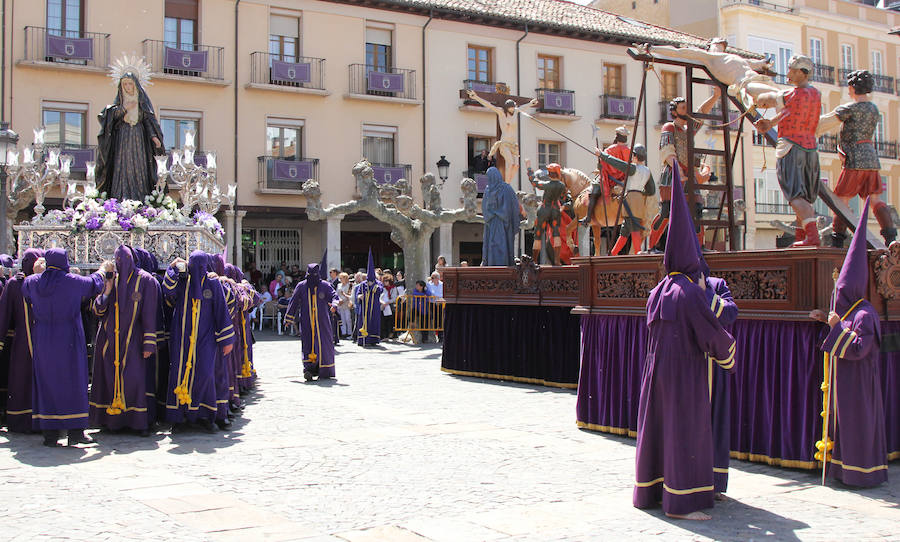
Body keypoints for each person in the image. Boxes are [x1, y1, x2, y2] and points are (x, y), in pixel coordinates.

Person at [634, 166, 736, 520]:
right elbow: (712, 336)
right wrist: (728, 356)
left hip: (656, 373)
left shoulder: (656, 292)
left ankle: (652, 492)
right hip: (685, 374)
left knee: (659, 430)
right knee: (685, 431)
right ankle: (683, 502)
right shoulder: (691, 293)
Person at [810, 198, 888, 487]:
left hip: (859, 385)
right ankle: (844, 471)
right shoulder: (850, 311)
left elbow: (858, 348)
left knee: (859, 427)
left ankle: (863, 475)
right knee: (846, 429)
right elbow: (839, 333)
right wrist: (825, 321)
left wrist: (836, 327)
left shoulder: (865, 313)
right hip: (846, 384)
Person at [23, 248, 113, 446]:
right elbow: (94, 283)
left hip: (44, 337)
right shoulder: (71, 281)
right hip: (69, 336)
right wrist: (103, 268)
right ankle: (75, 431)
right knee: (73, 380)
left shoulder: (32, 282)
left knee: (46, 382)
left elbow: (27, 291)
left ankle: (50, 432)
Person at [817, 70, 893, 246]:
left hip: (854, 158)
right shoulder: (874, 109)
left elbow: (825, 122)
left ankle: (838, 240)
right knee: (875, 199)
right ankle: (891, 238)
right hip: (871, 158)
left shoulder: (850, 108)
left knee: (842, 199)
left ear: (851, 88)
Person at [162, 251, 235, 433]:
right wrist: (172, 268)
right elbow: (167, 289)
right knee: (178, 374)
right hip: (182, 338)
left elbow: (221, 310)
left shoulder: (212, 283)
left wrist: (226, 339)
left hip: (206, 339)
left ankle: (205, 416)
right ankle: (179, 418)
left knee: (205, 375)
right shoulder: (182, 281)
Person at [89, 246, 159, 434]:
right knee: (109, 379)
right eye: (118, 259)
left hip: (133, 340)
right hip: (108, 340)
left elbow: (149, 316)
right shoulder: (112, 279)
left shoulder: (146, 280)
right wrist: (107, 291)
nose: (121, 263)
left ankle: (137, 422)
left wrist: (149, 342)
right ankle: (112, 421)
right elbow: (98, 310)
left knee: (134, 379)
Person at [755, 55, 822, 247]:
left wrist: (767, 120)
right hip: (811, 149)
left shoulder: (791, 94)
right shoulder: (816, 94)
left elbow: (770, 103)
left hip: (791, 147)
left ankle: (812, 237)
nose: (789, 73)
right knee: (805, 198)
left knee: (795, 196)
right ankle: (803, 237)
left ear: (803, 73)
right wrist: (771, 123)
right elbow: (787, 113)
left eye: (793, 70)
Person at [694, 237, 739, 498]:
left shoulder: (716, 285)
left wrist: (706, 293)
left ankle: (715, 481)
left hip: (714, 366)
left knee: (715, 423)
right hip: (687, 367)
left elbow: (730, 314)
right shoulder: (676, 286)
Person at [648, 89, 719, 251]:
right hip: (672, 175)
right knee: (666, 211)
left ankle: (700, 246)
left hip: (688, 175)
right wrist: (677, 168)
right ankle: (653, 245)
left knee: (697, 210)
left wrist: (715, 97)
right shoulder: (669, 127)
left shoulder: (688, 130)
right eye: (682, 108)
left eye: (687, 107)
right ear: (674, 111)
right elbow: (667, 149)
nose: (686, 110)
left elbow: (701, 112)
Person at [640, 38, 777, 109]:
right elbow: (677, 52)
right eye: (717, 44)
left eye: (722, 45)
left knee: (782, 94)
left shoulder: (734, 57)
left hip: (756, 78)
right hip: (745, 84)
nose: (719, 46)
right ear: (710, 46)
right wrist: (652, 48)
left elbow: (756, 64)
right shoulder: (707, 58)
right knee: (781, 96)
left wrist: (764, 63)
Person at [96, 70, 165, 201]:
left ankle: (141, 197)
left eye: (130, 84)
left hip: (138, 136)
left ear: (135, 85)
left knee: (139, 166)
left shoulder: (141, 101)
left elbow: (147, 119)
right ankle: (120, 196)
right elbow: (109, 118)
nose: (127, 87)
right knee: (122, 165)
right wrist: (123, 109)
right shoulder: (120, 102)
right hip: (122, 136)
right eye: (125, 84)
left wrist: (153, 136)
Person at [0, 249, 43, 432]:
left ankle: (43, 419)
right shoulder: (14, 285)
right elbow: (4, 314)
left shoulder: (46, 283)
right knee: (22, 378)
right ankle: (21, 420)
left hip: (44, 341)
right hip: (22, 342)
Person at [594, 143, 657, 255]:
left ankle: (638, 252)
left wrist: (602, 155)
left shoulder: (633, 168)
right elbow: (651, 190)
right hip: (640, 200)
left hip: (631, 198)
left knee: (633, 226)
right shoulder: (647, 171)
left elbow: (618, 164)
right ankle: (613, 253)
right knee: (625, 229)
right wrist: (641, 192)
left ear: (634, 156)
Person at [466, 90, 539, 185]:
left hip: (514, 144)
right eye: (511, 108)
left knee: (516, 165)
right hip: (504, 143)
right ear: (507, 108)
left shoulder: (516, 112)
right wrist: (476, 97)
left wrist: (530, 104)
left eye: (513, 107)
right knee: (511, 163)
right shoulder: (501, 112)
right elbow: (489, 105)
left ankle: (507, 183)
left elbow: (522, 108)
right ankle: (506, 184)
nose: (512, 109)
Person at [285, 263, 339, 381]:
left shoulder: (325, 285)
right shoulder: (301, 286)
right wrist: (288, 318)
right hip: (306, 320)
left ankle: (325, 369)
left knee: (323, 343)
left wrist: (334, 305)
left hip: (322, 320)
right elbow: (293, 302)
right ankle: (309, 369)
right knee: (308, 343)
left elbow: (334, 296)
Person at [583, 126, 633, 226]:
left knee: (594, 190)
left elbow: (604, 167)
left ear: (617, 136)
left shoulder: (610, 150)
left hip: (610, 179)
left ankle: (588, 217)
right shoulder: (630, 151)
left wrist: (599, 166)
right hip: (624, 180)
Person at [525, 161, 568, 264]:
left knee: (538, 235)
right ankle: (557, 260)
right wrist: (564, 207)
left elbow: (534, 182)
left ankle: (534, 261)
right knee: (556, 234)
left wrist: (529, 169)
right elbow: (564, 197)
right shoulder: (562, 186)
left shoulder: (547, 184)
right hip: (555, 210)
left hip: (544, 209)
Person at [481, 166, 521, 266]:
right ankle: (491, 265)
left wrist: (495, 213)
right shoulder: (488, 190)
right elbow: (484, 207)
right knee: (493, 245)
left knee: (501, 244)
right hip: (494, 223)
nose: (489, 180)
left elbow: (511, 207)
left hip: (502, 224)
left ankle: (502, 266)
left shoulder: (506, 188)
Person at [356, 251, 384, 347]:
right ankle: (362, 339)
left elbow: (380, 290)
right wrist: (359, 296)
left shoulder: (378, 283)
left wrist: (373, 286)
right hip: (364, 307)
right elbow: (358, 292)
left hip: (374, 307)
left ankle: (373, 340)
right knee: (363, 322)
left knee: (373, 322)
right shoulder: (363, 284)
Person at [380, 274, 403, 340]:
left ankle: (391, 334)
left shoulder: (394, 288)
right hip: (384, 306)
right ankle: (384, 336)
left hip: (391, 306)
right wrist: (382, 302)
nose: (385, 282)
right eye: (384, 281)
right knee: (383, 321)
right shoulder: (383, 288)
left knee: (390, 321)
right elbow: (381, 296)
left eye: (386, 281)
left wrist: (387, 303)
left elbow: (394, 298)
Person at [336, 272, 353, 338]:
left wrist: (343, 300)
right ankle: (344, 333)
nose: (340, 279)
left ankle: (349, 332)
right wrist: (339, 300)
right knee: (342, 319)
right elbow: (337, 294)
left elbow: (349, 294)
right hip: (340, 304)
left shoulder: (349, 285)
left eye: (341, 278)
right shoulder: (339, 285)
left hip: (347, 303)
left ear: (345, 278)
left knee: (348, 318)